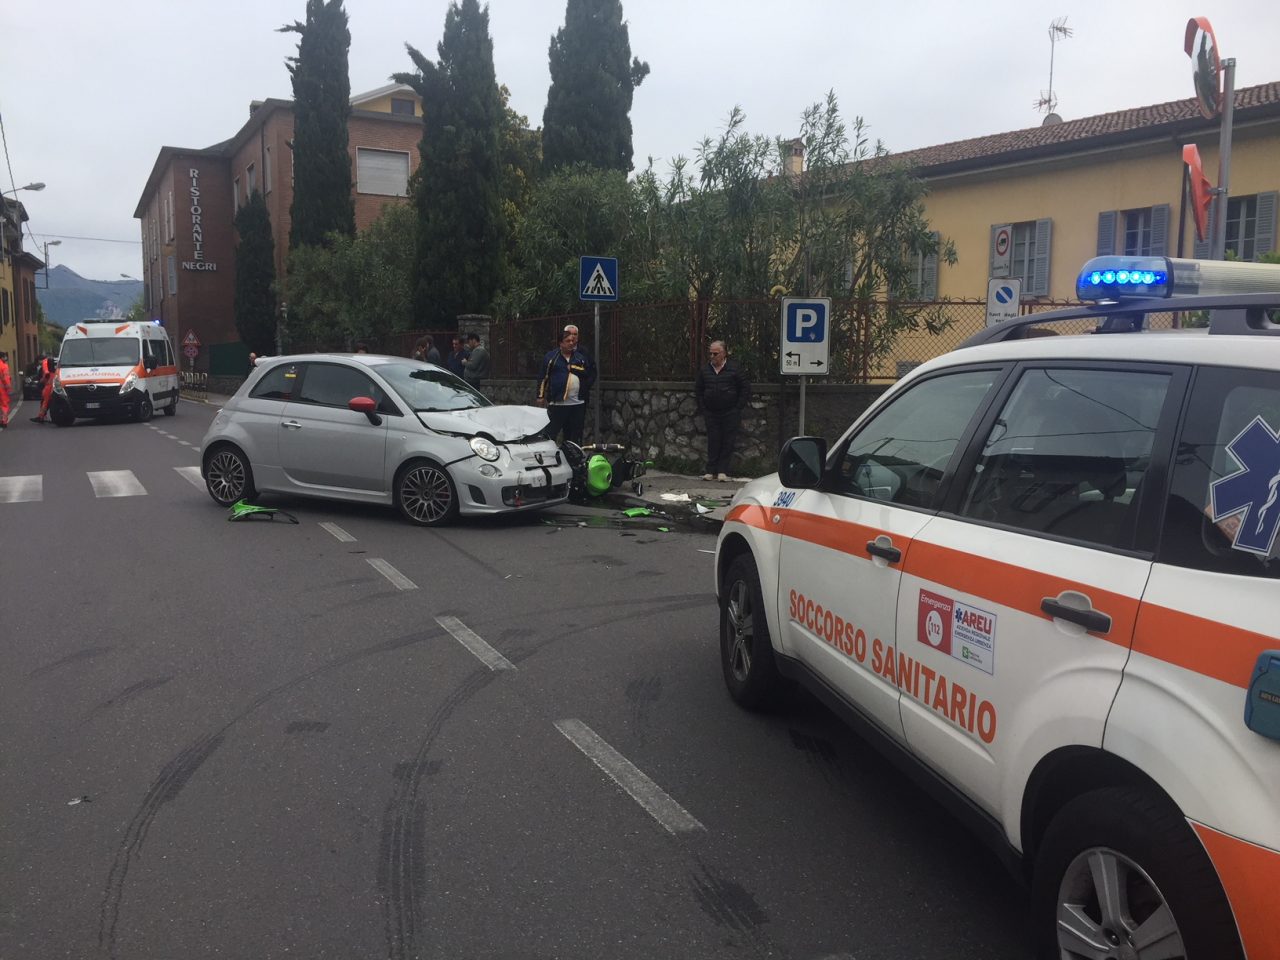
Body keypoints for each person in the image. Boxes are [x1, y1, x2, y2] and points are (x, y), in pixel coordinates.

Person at [695, 340, 750, 481]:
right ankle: (710, 470)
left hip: (730, 411)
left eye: (715, 353)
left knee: (728, 441)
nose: (712, 356)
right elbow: (699, 390)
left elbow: (744, 388)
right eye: (710, 353)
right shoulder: (705, 370)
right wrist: (704, 408)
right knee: (713, 440)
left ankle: (722, 471)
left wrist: (738, 408)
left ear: (724, 353)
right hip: (711, 412)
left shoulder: (734, 369)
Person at [536, 328, 595, 445]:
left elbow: (587, 373)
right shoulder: (551, 358)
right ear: (560, 343)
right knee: (550, 434)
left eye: (573, 341)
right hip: (558, 404)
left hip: (577, 404)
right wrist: (540, 396)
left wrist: (573, 368)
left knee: (575, 435)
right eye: (568, 341)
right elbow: (543, 377)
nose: (571, 343)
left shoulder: (579, 357)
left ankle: (573, 459)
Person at [33, 356, 56, 423]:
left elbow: (46, 373)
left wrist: (42, 380)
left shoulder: (44, 362)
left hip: (48, 385)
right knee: (49, 401)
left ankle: (41, 417)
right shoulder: (51, 364)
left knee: (45, 401)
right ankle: (42, 416)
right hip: (52, 384)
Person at [0, 351, 11, 428]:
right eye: (5, 356)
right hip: (2, 388)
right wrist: (8, 387)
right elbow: (5, 378)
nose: (6, 358)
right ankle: (4, 421)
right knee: (4, 405)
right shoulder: (4, 366)